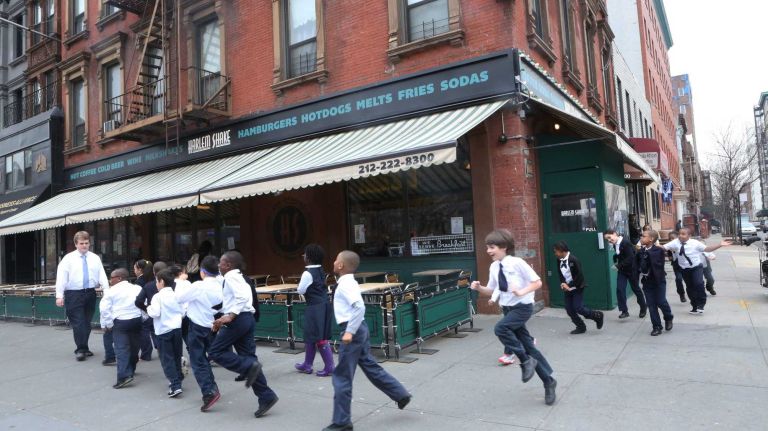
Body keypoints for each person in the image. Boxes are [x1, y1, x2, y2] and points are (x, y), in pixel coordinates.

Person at [324, 250, 411, 431]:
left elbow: (358, 307)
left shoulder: (345, 285)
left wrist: (349, 332)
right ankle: (400, 394)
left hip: (352, 330)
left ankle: (342, 422)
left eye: (336, 259)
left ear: (340, 265)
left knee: (342, 376)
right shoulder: (349, 282)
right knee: (370, 366)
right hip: (358, 329)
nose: (333, 262)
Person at [470, 229, 557, 406]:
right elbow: (493, 289)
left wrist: (521, 291)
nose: (488, 251)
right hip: (508, 309)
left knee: (500, 328)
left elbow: (537, 282)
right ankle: (548, 381)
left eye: (492, 247)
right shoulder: (494, 266)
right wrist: (479, 288)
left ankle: (525, 361)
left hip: (522, 307)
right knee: (529, 347)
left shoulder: (517, 263)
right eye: (487, 247)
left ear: (504, 247)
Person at [209, 251, 278, 419]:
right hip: (246, 319)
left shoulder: (231, 277)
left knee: (215, 352)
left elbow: (241, 297)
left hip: (238, 320)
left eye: (222, 262)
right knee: (249, 358)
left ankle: (248, 368)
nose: (219, 265)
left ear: (229, 265)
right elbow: (242, 298)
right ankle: (266, 396)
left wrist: (230, 315)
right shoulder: (239, 276)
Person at [175, 255, 224, 412]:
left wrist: (181, 282)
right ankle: (212, 387)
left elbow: (179, 298)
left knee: (198, 360)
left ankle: (209, 392)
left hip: (197, 326)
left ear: (202, 271)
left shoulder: (199, 286)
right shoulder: (223, 283)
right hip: (214, 325)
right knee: (207, 358)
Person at [55, 231, 109, 361]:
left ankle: (84, 346)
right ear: (76, 244)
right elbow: (61, 277)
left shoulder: (95, 258)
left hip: (90, 292)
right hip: (73, 294)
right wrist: (59, 295)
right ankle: (80, 349)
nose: (84, 246)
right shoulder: (68, 259)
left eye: (86, 243)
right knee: (78, 323)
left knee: (86, 322)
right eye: (81, 243)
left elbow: (101, 274)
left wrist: (107, 291)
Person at [663, 228, 731, 315]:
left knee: (698, 283)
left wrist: (720, 245)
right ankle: (694, 306)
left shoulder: (695, 243)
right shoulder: (675, 242)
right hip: (684, 269)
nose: (680, 235)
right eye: (679, 234)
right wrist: (651, 246)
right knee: (690, 288)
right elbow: (663, 247)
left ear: (689, 236)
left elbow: (707, 249)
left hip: (696, 267)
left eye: (683, 234)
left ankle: (701, 304)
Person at [294, 244, 335, 377]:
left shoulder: (307, 273)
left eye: (305, 254)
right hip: (324, 304)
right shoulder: (320, 270)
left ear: (309, 257)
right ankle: (307, 364)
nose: (303, 256)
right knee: (312, 336)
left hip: (314, 307)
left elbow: (300, 290)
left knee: (319, 337)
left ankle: (329, 367)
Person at [99, 268, 143, 388]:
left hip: (120, 322)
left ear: (119, 278)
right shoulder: (137, 288)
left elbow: (104, 309)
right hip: (136, 320)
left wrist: (108, 324)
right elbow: (143, 303)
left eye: (111, 278)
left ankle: (124, 376)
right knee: (134, 347)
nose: (110, 280)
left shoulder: (111, 291)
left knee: (121, 349)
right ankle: (131, 369)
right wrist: (143, 317)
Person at [147, 268, 185, 397]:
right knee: (176, 356)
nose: (156, 284)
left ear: (161, 281)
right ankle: (178, 378)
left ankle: (175, 385)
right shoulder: (176, 294)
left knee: (166, 358)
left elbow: (155, 313)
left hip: (163, 330)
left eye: (156, 281)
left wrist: (148, 308)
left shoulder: (157, 297)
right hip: (177, 329)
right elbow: (183, 312)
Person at [553, 241, 604, 334]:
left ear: (561, 251)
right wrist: (563, 283)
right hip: (567, 288)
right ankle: (581, 327)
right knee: (569, 309)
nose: (555, 253)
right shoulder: (558, 260)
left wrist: (569, 285)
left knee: (578, 308)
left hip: (577, 286)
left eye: (556, 251)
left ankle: (597, 315)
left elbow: (579, 277)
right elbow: (560, 274)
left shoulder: (573, 260)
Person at [636, 230, 673, 336]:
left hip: (658, 281)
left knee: (661, 302)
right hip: (647, 283)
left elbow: (656, 262)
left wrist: (645, 254)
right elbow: (637, 265)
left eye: (643, 236)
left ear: (651, 239)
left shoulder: (658, 251)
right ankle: (656, 326)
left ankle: (668, 317)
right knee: (651, 305)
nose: (641, 238)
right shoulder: (641, 252)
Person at [604, 229, 647, 319]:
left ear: (615, 234)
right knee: (620, 289)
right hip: (623, 271)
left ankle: (643, 307)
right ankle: (624, 311)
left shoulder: (625, 242)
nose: (609, 240)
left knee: (636, 289)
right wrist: (616, 258)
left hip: (632, 270)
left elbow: (630, 258)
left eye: (609, 237)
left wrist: (618, 266)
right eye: (607, 239)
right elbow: (620, 255)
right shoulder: (615, 244)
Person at [135, 261, 167, 361]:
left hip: (152, 313)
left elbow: (138, 301)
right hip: (168, 314)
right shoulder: (174, 284)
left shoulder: (148, 285)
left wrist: (147, 309)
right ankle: (162, 349)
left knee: (146, 330)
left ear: (154, 272)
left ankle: (146, 354)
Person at [666, 231, 687, 303]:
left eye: (673, 238)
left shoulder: (682, 245)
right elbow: (670, 258)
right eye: (670, 239)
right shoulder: (669, 247)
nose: (671, 240)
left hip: (686, 266)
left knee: (689, 281)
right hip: (676, 266)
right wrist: (672, 253)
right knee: (678, 279)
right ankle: (682, 294)